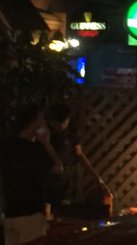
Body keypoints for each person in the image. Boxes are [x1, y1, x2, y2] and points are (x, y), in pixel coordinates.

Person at [1, 105, 63, 245]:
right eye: (41, 120)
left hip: (10, 213)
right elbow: (58, 168)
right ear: (34, 123)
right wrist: (47, 143)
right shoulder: (35, 150)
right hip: (31, 213)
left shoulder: (7, 145)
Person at [46, 103, 110, 218]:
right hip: (45, 180)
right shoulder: (44, 131)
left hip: (64, 180)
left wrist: (97, 179)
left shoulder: (71, 131)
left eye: (64, 122)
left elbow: (79, 153)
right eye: (57, 124)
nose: (61, 126)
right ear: (51, 121)